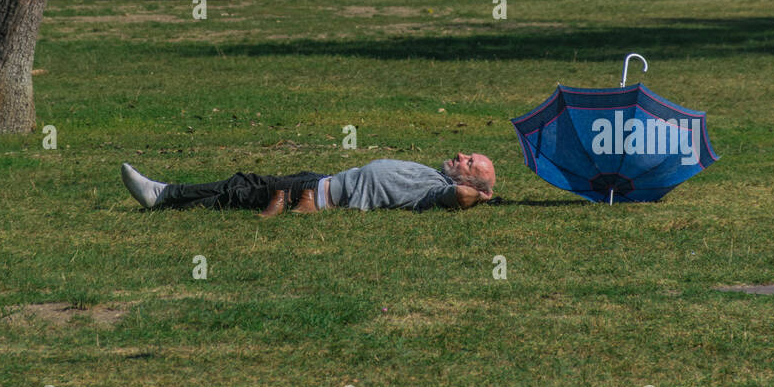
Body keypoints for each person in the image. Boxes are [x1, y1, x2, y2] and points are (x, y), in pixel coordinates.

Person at [120, 152, 497, 216]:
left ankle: (164, 195)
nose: (462, 156)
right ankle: (169, 197)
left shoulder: (438, 193)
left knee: (242, 189)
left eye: (470, 163)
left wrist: (482, 194)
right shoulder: (434, 176)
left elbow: (463, 197)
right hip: (321, 180)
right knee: (245, 187)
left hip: (319, 194)